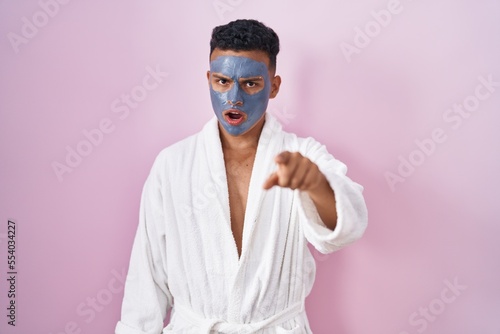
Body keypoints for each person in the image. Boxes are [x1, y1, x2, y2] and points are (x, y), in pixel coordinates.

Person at [115, 19, 367, 334]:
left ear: (273, 86)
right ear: (208, 79)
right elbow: (146, 279)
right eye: (222, 81)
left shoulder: (302, 157)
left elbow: (349, 224)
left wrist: (315, 184)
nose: (233, 98)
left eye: (250, 83)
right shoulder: (172, 165)